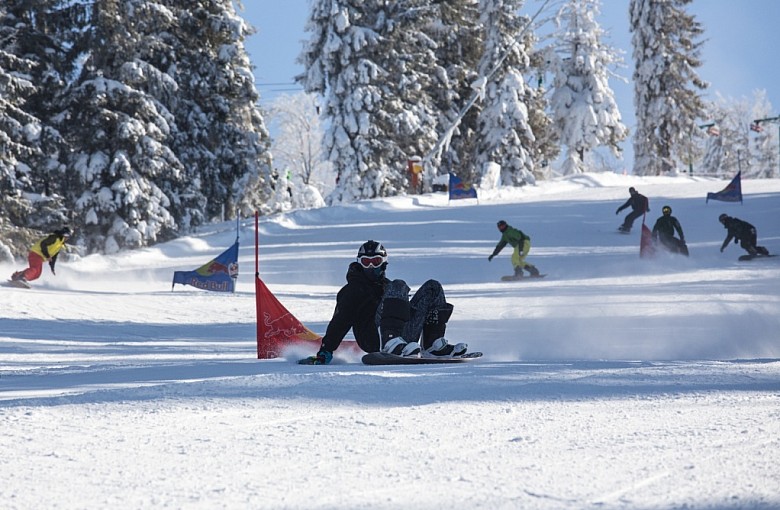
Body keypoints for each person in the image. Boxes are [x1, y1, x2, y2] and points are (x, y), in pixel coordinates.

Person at [300, 240, 467, 364]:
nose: (371, 266)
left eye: (376, 261)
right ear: (359, 263)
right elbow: (340, 321)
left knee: (433, 287)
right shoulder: (352, 290)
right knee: (399, 285)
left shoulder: (388, 286)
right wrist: (326, 351)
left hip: (403, 339)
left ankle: (432, 346)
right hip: (373, 339)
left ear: (384, 263)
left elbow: (404, 313)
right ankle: (389, 342)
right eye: (366, 262)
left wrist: (419, 314)